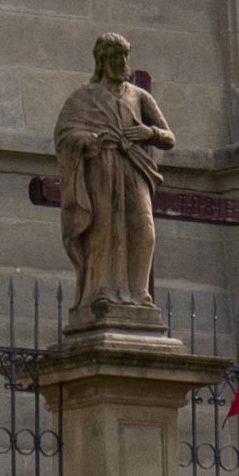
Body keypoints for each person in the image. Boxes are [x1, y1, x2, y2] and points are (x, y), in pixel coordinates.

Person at [55, 31, 175, 327]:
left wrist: (149, 133)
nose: (121, 63)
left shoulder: (139, 96)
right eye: (114, 57)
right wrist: (86, 139)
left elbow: (169, 137)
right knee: (104, 229)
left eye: (124, 56)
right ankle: (102, 292)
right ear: (101, 60)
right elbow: (64, 134)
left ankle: (139, 293)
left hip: (134, 167)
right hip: (102, 168)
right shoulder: (83, 97)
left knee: (144, 230)